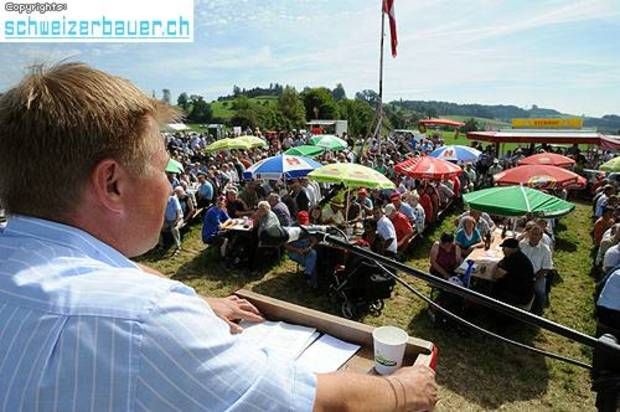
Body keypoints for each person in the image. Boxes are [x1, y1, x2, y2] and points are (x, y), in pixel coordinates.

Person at [0, 63, 438, 411]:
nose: (170, 185)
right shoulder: (146, 320)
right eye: (163, 168)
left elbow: (94, 270)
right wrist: (402, 390)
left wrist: (193, 301)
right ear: (112, 184)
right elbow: (308, 402)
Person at [520, 225, 554, 314]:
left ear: (540, 236)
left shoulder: (545, 250)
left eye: (536, 234)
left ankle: (538, 310)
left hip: (536, 275)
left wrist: (534, 277)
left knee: (540, 291)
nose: (533, 236)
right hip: (520, 273)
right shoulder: (522, 244)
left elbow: (546, 268)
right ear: (528, 234)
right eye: (532, 233)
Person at [493, 238, 536, 308]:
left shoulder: (515, 259)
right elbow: (501, 263)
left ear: (513, 249)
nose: (502, 249)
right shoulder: (516, 255)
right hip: (520, 290)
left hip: (520, 295)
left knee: (495, 288)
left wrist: (498, 269)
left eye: (505, 247)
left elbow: (496, 275)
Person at [285, 211, 319, 288]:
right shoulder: (291, 228)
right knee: (312, 263)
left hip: (306, 250)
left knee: (313, 253)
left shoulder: (310, 227)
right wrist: (297, 250)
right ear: (297, 220)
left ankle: (307, 276)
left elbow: (314, 240)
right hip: (294, 251)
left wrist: (309, 247)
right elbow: (286, 245)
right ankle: (311, 283)